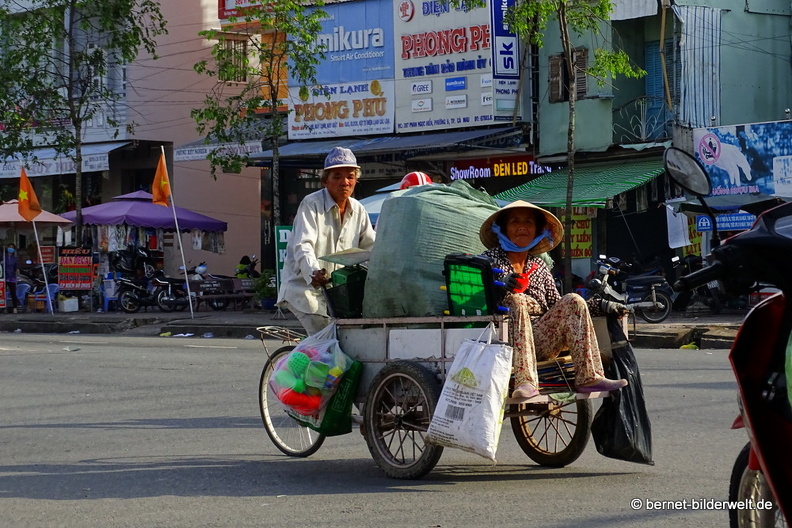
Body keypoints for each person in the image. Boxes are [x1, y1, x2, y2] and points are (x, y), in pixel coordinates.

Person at [478, 201, 628, 401]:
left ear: (537, 230)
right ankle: (526, 381)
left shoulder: (538, 265)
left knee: (573, 299)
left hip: (541, 339)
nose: (522, 227)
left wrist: (601, 305)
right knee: (516, 300)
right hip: (503, 340)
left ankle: (588, 376)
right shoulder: (488, 260)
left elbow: (557, 307)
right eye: (515, 221)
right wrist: (500, 286)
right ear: (503, 229)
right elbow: (479, 299)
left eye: (528, 222)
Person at [277, 147, 376, 334]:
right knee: (324, 339)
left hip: (337, 292)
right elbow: (303, 244)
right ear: (325, 181)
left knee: (349, 336)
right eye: (337, 176)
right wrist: (313, 271)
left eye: (350, 177)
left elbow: (371, 248)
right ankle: (303, 363)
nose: (345, 182)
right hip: (303, 288)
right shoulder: (311, 203)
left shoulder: (358, 209)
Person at [4, 243, 19, 314]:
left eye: (12, 247)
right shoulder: (3, 257)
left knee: (13, 293)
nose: (11, 248)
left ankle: (15, 308)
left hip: (12, 277)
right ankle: (4, 307)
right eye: (9, 247)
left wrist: (17, 271)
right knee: (3, 293)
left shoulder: (15, 259)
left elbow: (16, 268)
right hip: (4, 277)